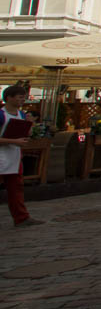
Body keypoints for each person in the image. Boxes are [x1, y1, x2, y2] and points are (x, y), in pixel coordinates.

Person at [0, 84, 43, 228]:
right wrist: (13, 141)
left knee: (16, 188)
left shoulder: (22, 115)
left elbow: (25, 134)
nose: (22, 100)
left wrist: (29, 128)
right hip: (2, 153)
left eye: (23, 97)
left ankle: (21, 217)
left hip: (13, 155)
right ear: (9, 98)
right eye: (19, 97)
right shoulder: (1, 115)